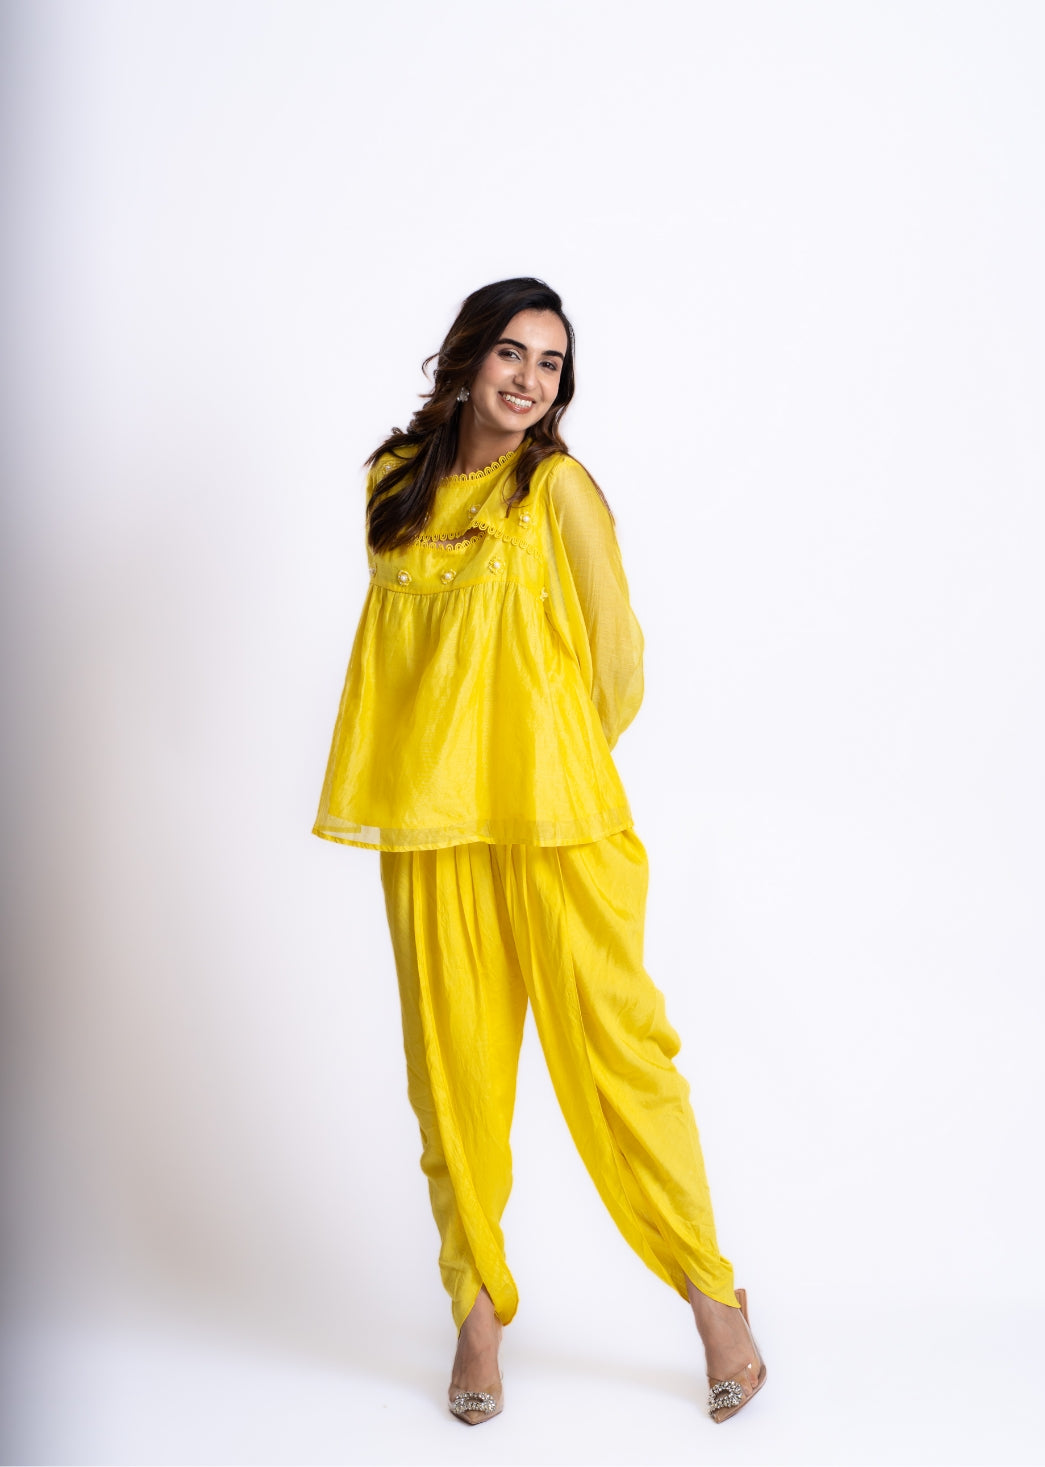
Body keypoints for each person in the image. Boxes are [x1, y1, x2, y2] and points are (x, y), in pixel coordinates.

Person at [313, 278, 767, 1424]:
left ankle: (713, 1297)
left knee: (617, 1055)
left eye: (549, 363)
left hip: (558, 822)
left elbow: (617, 660)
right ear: (467, 358)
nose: (527, 379)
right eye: (510, 353)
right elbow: (397, 673)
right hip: (432, 828)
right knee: (451, 1073)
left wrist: (545, 758)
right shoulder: (391, 485)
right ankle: (475, 1318)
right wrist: (459, 772)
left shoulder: (556, 489)